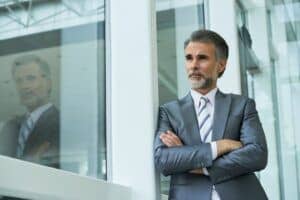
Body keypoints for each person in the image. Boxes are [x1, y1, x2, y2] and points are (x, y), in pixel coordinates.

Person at [154, 29, 268, 200]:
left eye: (202, 58)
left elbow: (257, 155)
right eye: (189, 58)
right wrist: (220, 146)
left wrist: (192, 161)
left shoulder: (242, 105)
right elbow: (164, 160)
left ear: (221, 65)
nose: (193, 65)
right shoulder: (169, 112)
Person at [0, 55, 60, 168]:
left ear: (48, 83)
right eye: (19, 81)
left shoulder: (61, 123)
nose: (24, 86)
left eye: (31, 78)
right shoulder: (10, 127)